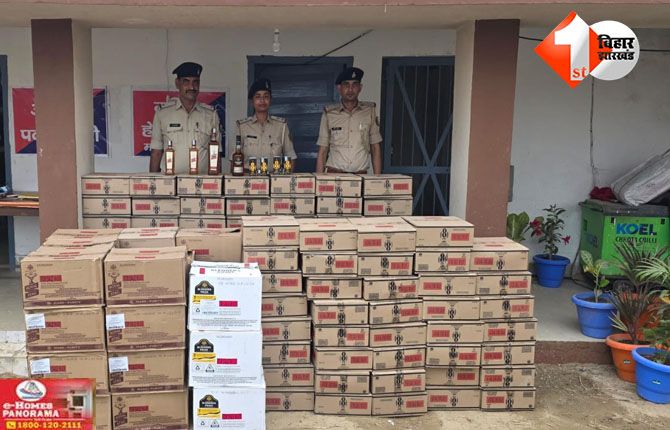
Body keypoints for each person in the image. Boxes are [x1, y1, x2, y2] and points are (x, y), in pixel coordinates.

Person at [149, 62, 221, 174]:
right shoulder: (162, 113)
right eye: (186, 82)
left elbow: (216, 154)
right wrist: (153, 181)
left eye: (195, 82)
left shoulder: (211, 115)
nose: (192, 87)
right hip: (171, 181)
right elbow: (156, 152)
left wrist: (218, 182)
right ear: (177, 83)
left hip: (202, 181)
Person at [315, 67, 382, 174]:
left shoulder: (369, 112)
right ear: (339, 88)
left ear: (360, 87)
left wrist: (377, 180)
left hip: (361, 176)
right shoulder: (329, 114)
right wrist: (319, 180)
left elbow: (375, 148)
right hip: (335, 175)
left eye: (354, 85)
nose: (350, 89)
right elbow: (322, 151)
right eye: (346, 85)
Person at [235, 78, 297, 172]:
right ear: (252, 101)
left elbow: (291, 157)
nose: (262, 100)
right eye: (258, 97)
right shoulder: (242, 127)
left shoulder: (281, 126)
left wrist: (285, 179)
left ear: (270, 100)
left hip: (274, 178)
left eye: (266, 96)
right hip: (249, 178)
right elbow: (235, 160)